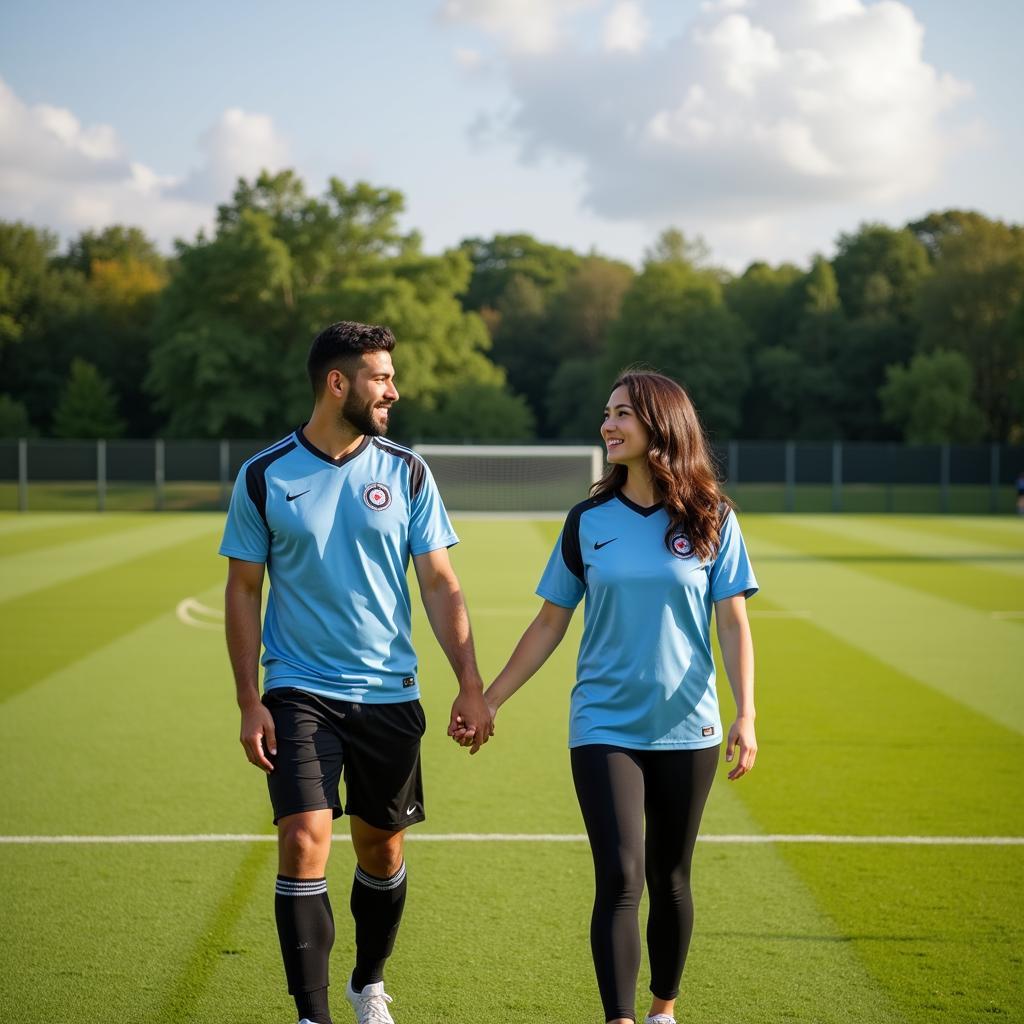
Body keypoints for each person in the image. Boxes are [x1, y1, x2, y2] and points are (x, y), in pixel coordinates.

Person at [455, 370, 758, 1024]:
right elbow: (549, 622)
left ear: (660, 424)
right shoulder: (587, 520)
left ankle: (662, 1011)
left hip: (689, 728)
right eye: (607, 412)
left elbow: (732, 622)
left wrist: (747, 713)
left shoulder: (711, 518)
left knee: (670, 878)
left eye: (622, 413)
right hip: (604, 727)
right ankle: (618, 1019)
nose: (608, 425)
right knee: (620, 877)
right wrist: (491, 699)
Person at [220, 321, 492, 1024]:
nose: (393, 391)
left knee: (380, 845)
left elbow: (439, 582)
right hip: (298, 689)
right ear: (337, 383)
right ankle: (312, 1013)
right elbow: (244, 590)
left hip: (389, 694)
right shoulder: (264, 474)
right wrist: (250, 700)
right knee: (304, 836)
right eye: (380, 378)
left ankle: (368, 982)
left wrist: (469, 679)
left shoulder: (406, 471)